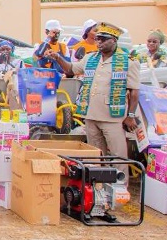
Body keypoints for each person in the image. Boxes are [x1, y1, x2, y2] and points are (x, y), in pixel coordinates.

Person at [47, 22, 140, 158]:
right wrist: (58, 58)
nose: (99, 42)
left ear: (114, 40)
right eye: (97, 38)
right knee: (95, 154)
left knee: (118, 155)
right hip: (91, 114)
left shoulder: (128, 62)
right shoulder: (90, 58)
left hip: (112, 116)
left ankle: (121, 179)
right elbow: (71, 69)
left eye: (103, 39)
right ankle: (99, 180)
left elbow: (134, 91)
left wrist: (130, 116)